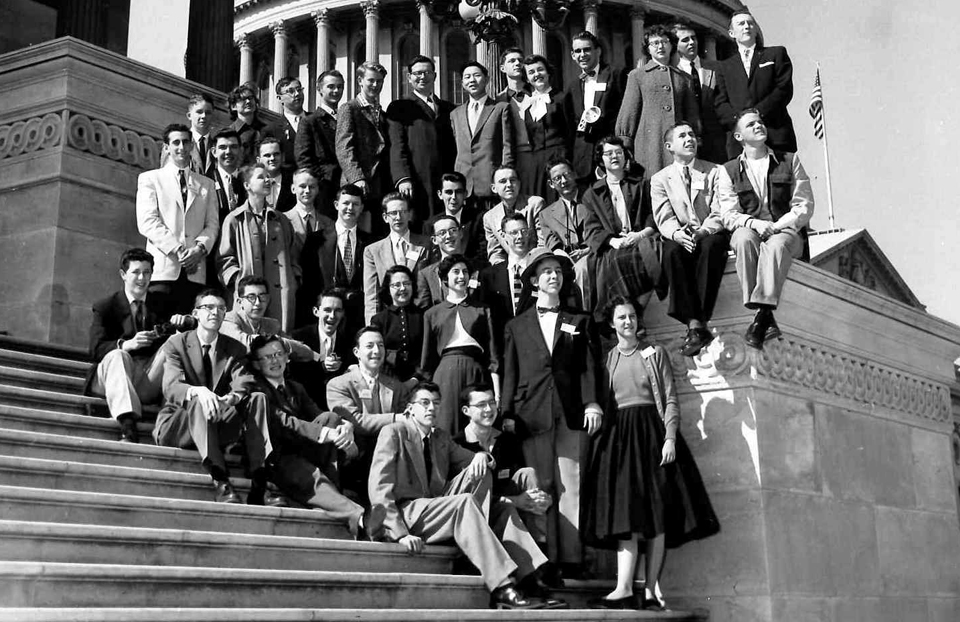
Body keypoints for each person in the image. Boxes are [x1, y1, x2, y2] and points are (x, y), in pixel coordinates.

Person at [367, 382, 559, 610]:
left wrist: (480, 456)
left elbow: (475, 461)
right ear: (410, 409)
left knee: (496, 497)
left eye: (436, 403)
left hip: (437, 508)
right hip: (408, 513)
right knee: (465, 502)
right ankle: (501, 587)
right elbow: (379, 486)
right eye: (425, 403)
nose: (431, 408)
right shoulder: (394, 432)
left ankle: (528, 576)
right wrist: (398, 534)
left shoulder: (440, 438)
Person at [581, 296, 719, 610]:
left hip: (652, 434)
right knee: (626, 512)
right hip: (621, 439)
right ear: (612, 324)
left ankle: (652, 589)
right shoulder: (608, 359)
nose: (627, 322)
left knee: (656, 513)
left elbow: (670, 399)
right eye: (621, 318)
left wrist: (669, 438)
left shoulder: (654, 353)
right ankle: (623, 587)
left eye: (631, 316)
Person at [500, 248, 601, 576]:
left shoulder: (580, 320)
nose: (553, 276)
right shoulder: (516, 326)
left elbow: (589, 368)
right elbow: (510, 372)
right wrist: (506, 413)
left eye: (557, 271)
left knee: (571, 485)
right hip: (531, 415)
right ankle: (543, 559)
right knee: (539, 485)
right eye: (546, 271)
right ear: (533, 281)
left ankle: (570, 559)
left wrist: (593, 402)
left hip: (571, 413)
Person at [247, 334, 378, 537]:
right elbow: (282, 422)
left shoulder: (295, 388)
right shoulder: (256, 389)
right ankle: (360, 517)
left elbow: (318, 416)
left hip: (302, 449)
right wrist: (326, 434)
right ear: (256, 364)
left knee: (331, 417)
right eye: (267, 357)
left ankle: (335, 493)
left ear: (287, 357)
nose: (275, 361)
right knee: (311, 475)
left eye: (279, 354)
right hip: (277, 457)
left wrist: (346, 427)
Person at [153, 289, 270, 504]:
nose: (215, 312)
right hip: (178, 424)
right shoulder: (176, 344)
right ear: (196, 313)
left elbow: (243, 381)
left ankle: (259, 480)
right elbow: (172, 386)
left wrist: (232, 398)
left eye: (221, 308)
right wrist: (199, 391)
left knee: (258, 398)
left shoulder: (234, 348)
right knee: (198, 399)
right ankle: (220, 478)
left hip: (217, 420)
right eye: (209, 307)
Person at [717, 109, 813, 349]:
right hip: (750, 228)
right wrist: (756, 224)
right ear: (739, 137)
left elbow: (803, 206)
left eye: (760, 122)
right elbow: (729, 215)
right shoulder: (727, 170)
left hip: (786, 231)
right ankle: (765, 314)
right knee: (741, 240)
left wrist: (775, 226)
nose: (758, 126)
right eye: (751, 124)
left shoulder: (790, 160)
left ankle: (761, 314)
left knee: (776, 246)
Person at [85, 248, 191, 442]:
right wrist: (127, 345)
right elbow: (95, 350)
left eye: (147, 272)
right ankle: (127, 424)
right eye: (136, 272)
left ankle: (177, 412)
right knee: (118, 355)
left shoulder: (162, 303)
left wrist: (179, 327)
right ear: (123, 274)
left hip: (145, 379)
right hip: (110, 377)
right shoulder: (105, 306)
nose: (142, 278)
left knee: (175, 344)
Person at [651, 123, 730, 357]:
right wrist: (678, 234)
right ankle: (694, 324)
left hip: (709, 232)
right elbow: (663, 215)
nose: (689, 139)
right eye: (682, 136)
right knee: (672, 251)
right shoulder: (659, 179)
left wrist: (705, 231)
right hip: (680, 234)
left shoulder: (715, 171)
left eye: (692, 135)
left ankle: (698, 321)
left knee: (712, 246)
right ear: (669, 146)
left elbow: (720, 209)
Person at [454, 383, 552, 560]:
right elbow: (469, 498)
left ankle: (540, 548)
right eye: (481, 405)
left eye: (492, 403)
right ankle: (536, 564)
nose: (489, 409)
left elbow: (520, 484)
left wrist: (542, 498)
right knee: (508, 509)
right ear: (466, 410)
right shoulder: (458, 444)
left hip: (510, 505)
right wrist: (515, 501)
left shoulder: (508, 441)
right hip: (480, 513)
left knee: (528, 474)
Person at [136, 123, 219, 318]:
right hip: (164, 270)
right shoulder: (151, 179)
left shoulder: (207, 184)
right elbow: (148, 221)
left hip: (194, 271)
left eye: (185, 142)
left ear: (192, 146)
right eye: (176, 143)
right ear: (166, 147)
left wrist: (198, 250)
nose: (181, 147)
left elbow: (212, 224)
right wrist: (179, 250)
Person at [326, 326, 412, 500]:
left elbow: (409, 422)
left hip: (390, 463)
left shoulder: (398, 387)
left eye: (380, 346)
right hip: (355, 464)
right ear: (357, 352)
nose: (376, 351)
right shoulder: (338, 384)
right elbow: (356, 421)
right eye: (370, 346)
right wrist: (396, 418)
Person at [583, 136, 662, 321]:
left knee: (647, 255)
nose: (614, 157)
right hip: (613, 246)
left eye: (619, 152)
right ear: (600, 159)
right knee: (615, 262)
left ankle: (636, 313)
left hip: (643, 238)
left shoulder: (642, 184)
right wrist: (614, 241)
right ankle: (629, 316)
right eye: (608, 153)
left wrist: (641, 234)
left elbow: (653, 214)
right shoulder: (592, 193)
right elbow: (592, 229)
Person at [421, 255, 499, 435]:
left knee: (478, 425)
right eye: (455, 272)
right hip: (445, 376)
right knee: (446, 427)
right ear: (445, 279)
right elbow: (427, 360)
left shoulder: (482, 309)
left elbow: (493, 355)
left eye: (465, 272)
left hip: (476, 372)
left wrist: (496, 392)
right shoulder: (432, 314)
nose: (461, 276)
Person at [218, 163, 300, 332]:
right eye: (261, 177)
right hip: (247, 293)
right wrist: (238, 279)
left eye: (268, 177)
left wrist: (294, 279)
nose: (268, 180)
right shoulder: (234, 219)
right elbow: (224, 259)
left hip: (279, 294)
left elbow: (293, 255)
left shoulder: (281, 220)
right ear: (247, 185)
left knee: (278, 341)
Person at [615, 25, 700, 179]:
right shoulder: (637, 76)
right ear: (648, 49)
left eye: (664, 42)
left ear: (672, 45)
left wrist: (696, 137)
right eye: (654, 43)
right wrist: (625, 145)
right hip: (649, 147)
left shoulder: (684, 78)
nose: (660, 46)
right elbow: (628, 112)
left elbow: (692, 115)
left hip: (679, 147)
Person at [713, 10, 797, 157]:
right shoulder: (723, 67)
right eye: (741, 24)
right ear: (731, 33)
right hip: (740, 144)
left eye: (750, 23)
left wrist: (757, 113)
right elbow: (720, 102)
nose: (747, 26)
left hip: (775, 135)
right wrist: (741, 122)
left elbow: (783, 89)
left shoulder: (776, 54)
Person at [386, 55, 457, 226]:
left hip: (445, 179)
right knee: (419, 224)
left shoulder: (450, 109)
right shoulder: (399, 107)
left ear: (434, 75)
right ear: (409, 78)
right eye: (417, 73)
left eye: (427, 72)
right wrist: (403, 177)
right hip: (416, 178)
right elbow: (397, 145)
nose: (422, 77)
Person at [299, 184, 370, 335]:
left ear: (362, 208)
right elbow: (308, 283)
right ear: (336, 205)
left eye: (355, 204)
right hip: (326, 316)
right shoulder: (315, 240)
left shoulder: (371, 242)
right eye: (346, 203)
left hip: (358, 318)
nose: (350, 208)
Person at [563, 31, 627, 183]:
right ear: (572, 55)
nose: (582, 54)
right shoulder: (573, 86)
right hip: (583, 160)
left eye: (587, 49)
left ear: (598, 51)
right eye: (578, 51)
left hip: (611, 154)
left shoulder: (616, 75)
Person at [451, 61, 515, 213]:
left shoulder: (500, 108)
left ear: (487, 80)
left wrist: (505, 179)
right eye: (467, 77)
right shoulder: (455, 114)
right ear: (462, 83)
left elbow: (507, 146)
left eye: (476, 75)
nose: (472, 80)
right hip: (464, 184)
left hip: (490, 182)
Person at [336, 61, 391, 235]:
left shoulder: (381, 113)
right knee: (354, 235)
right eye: (371, 80)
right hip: (357, 185)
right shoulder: (349, 109)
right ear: (360, 81)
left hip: (378, 185)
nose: (376, 85)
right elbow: (344, 148)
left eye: (380, 81)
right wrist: (357, 178)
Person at [362, 192, 431, 322]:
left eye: (403, 212)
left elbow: (428, 288)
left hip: (420, 317)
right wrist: (372, 328)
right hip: (388, 319)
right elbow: (372, 295)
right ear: (385, 217)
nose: (398, 217)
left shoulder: (426, 245)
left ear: (410, 214)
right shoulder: (373, 251)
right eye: (393, 213)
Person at [220, 275, 315, 362]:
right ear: (240, 302)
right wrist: (277, 341)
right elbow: (248, 344)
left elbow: (304, 351)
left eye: (262, 296)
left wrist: (317, 357)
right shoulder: (228, 320)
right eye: (251, 297)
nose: (258, 303)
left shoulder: (272, 325)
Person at [539, 158, 594, 309]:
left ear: (575, 175)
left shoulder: (593, 199)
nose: (563, 181)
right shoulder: (546, 214)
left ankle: (585, 316)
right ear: (551, 184)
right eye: (557, 178)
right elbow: (551, 242)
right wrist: (563, 256)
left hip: (593, 253)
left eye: (567, 175)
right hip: (565, 259)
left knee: (582, 270)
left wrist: (588, 250)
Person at [671, 23, 727, 165]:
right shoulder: (672, 73)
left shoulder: (716, 67)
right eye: (685, 40)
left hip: (716, 141)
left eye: (693, 38)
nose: (691, 42)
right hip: (686, 142)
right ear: (675, 45)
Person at [290, 288, 355, 408]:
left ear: (343, 313)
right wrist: (322, 367)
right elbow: (296, 375)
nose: (332, 316)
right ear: (316, 311)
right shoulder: (299, 337)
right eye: (327, 310)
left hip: (340, 405)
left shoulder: (350, 341)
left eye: (338, 311)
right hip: (306, 404)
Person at [517, 55, 571, 199]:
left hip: (559, 156)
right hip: (537, 162)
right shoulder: (527, 106)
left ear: (548, 72)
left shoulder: (562, 98)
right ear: (527, 79)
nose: (537, 74)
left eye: (540, 70)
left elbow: (570, 130)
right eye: (531, 72)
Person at [295, 70, 345, 218]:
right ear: (319, 90)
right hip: (324, 189)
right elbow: (303, 158)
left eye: (340, 87)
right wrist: (320, 181)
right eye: (331, 86)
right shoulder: (309, 121)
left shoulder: (346, 117)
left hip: (345, 188)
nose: (336, 91)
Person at [478, 213, 534, 340]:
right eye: (514, 232)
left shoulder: (539, 270)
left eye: (524, 231)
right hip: (503, 345)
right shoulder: (489, 276)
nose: (520, 237)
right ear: (503, 236)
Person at [482, 166, 544, 265]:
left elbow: (543, 243)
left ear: (519, 184)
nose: (509, 185)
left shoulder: (535, 204)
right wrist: (504, 272)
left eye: (513, 180)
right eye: (503, 181)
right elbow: (495, 253)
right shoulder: (489, 217)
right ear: (494, 188)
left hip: (536, 263)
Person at [371, 265, 423, 382]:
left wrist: (416, 378)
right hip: (388, 378)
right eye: (397, 285)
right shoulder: (379, 319)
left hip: (419, 378)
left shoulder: (424, 316)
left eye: (407, 284)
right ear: (388, 289)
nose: (403, 288)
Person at [424, 172, 486, 267]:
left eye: (458, 192)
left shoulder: (479, 219)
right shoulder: (430, 224)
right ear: (440, 194)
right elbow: (431, 257)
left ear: (465, 194)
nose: (453, 197)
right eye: (449, 192)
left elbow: (482, 253)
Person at [496, 48, 534, 191]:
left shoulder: (537, 94)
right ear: (502, 68)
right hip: (513, 159)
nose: (517, 63)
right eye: (512, 61)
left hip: (537, 154)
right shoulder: (498, 101)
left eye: (520, 60)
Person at [284, 168, 336, 262]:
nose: (307, 191)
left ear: (317, 189)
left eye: (312, 187)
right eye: (302, 186)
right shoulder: (283, 220)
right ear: (293, 189)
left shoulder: (329, 223)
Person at [416, 214, 466, 309]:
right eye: (442, 233)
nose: (448, 236)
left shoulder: (479, 268)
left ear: (461, 233)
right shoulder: (426, 275)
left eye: (453, 230)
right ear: (434, 240)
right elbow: (423, 311)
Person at [161, 93, 216, 174]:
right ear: (189, 115)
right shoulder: (175, 143)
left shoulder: (218, 143)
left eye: (208, 113)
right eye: (199, 112)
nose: (204, 116)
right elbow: (165, 174)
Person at [263, 76, 306, 177]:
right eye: (290, 91)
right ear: (279, 98)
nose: (297, 94)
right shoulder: (271, 130)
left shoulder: (316, 121)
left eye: (299, 90)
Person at [208, 128, 247, 222]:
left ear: (240, 150)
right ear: (214, 152)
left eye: (233, 147)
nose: (228, 152)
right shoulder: (206, 181)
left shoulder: (249, 179)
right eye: (222, 147)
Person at [228, 82, 266, 167]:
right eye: (242, 99)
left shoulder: (266, 130)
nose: (248, 101)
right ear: (233, 106)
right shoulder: (229, 133)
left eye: (251, 98)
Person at [257, 137, 296, 213]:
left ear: (283, 157)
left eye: (276, 154)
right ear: (259, 160)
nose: (272, 158)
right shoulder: (252, 183)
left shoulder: (294, 180)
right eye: (267, 155)